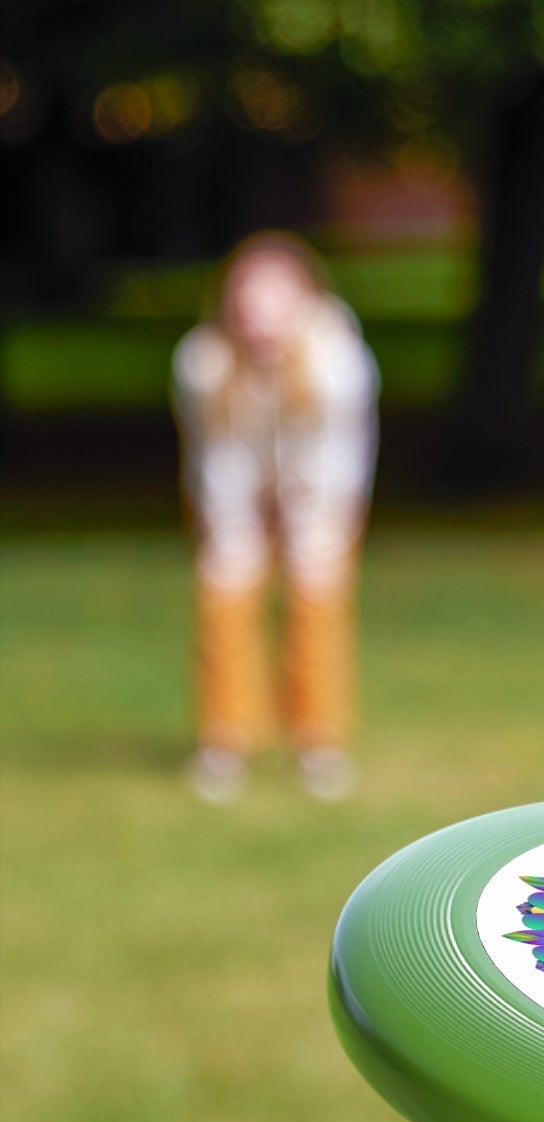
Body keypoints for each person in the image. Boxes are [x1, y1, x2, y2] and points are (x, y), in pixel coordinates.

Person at [172, 232, 379, 803]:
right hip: (234, 492)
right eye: (248, 299)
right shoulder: (203, 363)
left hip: (320, 494)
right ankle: (225, 741)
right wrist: (238, 526)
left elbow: (337, 457)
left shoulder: (338, 361)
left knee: (317, 600)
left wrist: (305, 519)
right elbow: (216, 457)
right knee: (224, 594)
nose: (259, 316)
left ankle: (319, 742)